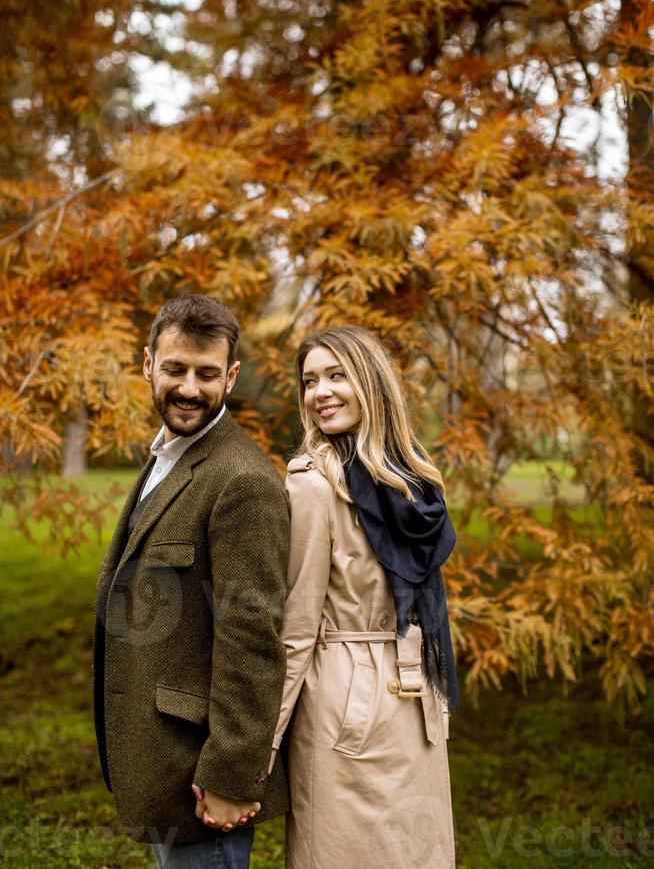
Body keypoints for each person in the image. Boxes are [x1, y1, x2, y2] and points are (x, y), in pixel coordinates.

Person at [92, 294, 290, 869]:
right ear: (148, 364)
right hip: (161, 761)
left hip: (203, 776)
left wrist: (231, 772)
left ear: (230, 377)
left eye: (207, 374)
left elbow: (253, 635)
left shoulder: (242, 479)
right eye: (176, 369)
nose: (189, 388)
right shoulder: (170, 456)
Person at [272, 325, 458, 869]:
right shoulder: (312, 485)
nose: (320, 393)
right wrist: (257, 749)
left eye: (336, 375)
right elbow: (298, 624)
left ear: (372, 383)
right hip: (343, 701)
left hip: (416, 695)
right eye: (309, 381)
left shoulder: (413, 482)